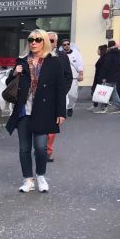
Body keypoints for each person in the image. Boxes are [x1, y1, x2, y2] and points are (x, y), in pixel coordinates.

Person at [5, 29, 67, 193]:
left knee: (40, 147)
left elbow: (60, 88)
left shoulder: (53, 62)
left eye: (37, 39)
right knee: (24, 148)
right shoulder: (22, 61)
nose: (33, 42)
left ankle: (40, 175)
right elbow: (8, 83)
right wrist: (14, 72)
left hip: (44, 111)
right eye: (31, 39)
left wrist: (61, 112)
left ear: (44, 42)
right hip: (23, 111)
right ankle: (28, 179)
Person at [45, 31, 73, 162]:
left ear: (56, 42)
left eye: (51, 40)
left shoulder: (62, 56)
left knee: (53, 124)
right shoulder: (37, 55)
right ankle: (40, 147)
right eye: (46, 40)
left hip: (57, 96)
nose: (49, 43)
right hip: (40, 97)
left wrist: (62, 92)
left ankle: (47, 150)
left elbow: (68, 76)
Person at [95, 39, 120, 113]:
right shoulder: (118, 54)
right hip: (115, 76)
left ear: (109, 46)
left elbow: (106, 66)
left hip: (108, 76)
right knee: (113, 91)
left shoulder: (109, 54)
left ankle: (102, 108)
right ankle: (118, 107)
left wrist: (103, 76)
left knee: (104, 92)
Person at [59, 38, 84, 117]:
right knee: (63, 94)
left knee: (72, 94)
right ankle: (63, 109)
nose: (66, 46)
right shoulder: (59, 54)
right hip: (62, 77)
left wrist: (81, 74)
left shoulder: (76, 53)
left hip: (73, 77)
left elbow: (80, 64)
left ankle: (70, 107)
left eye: (68, 44)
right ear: (62, 46)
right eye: (64, 45)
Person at [91, 43, 108, 110]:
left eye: (98, 50)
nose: (97, 51)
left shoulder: (104, 59)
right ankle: (95, 105)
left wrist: (103, 78)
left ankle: (103, 106)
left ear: (101, 50)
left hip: (101, 77)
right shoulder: (101, 58)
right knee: (96, 91)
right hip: (98, 77)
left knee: (101, 92)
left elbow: (104, 69)